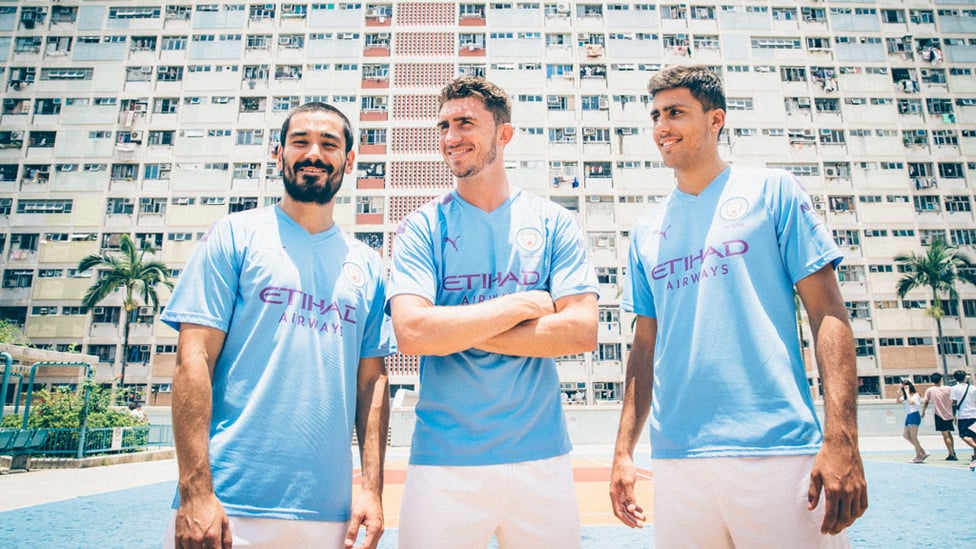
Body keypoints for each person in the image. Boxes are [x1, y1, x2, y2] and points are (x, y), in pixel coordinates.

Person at [610, 65, 868, 547]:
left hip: (776, 448)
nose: (662, 126)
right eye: (656, 115)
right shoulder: (646, 231)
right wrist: (624, 451)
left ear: (715, 120)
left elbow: (828, 316)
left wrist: (842, 438)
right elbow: (643, 349)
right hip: (677, 456)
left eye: (676, 112)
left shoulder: (773, 192)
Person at [160, 102, 393, 549]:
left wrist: (372, 490)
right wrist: (195, 491)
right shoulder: (235, 235)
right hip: (227, 507)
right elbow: (194, 359)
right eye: (300, 141)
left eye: (329, 144)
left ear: (348, 161)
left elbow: (372, 384)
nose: (313, 153)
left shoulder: (367, 264)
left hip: (331, 515)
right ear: (278, 153)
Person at [387, 76, 599, 549]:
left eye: (465, 123)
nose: (450, 137)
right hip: (443, 461)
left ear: (504, 135)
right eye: (443, 125)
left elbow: (581, 331)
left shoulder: (553, 222)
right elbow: (413, 333)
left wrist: (453, 327)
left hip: (540, 459)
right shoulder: (421, 228)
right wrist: (522, 306)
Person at [920, 372, 957, 460]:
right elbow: (954, 401)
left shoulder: (930, 390)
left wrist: (923, 411)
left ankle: (951, 454)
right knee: (949, 433)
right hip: (949, 413)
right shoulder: (949, 388)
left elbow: (926, 401)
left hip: (939, 414)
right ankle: (952, 451)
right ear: (941, 379)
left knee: (945, 435)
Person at [949, 369, 976, 470]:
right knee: (974, 436)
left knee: (963, 435)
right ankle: (974, 459)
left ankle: (975, 449)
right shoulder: (973, 388)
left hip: (963, 415)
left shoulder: (954, 389)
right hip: (974, 414)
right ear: (965, 377)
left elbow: (954, 403)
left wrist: (953, 415)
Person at [898, 379, 929, 463]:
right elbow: (898, 401)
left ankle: (918, 456)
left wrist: (907, 392)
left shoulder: (916, 395)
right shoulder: (905, 396)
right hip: (908, 416)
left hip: (914, 415)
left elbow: (911, 402)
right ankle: (922, 451)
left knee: (913, 437)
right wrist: (899, 392)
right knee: (906, 435)